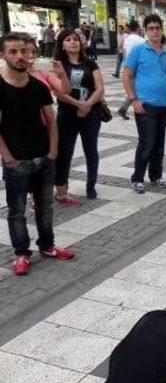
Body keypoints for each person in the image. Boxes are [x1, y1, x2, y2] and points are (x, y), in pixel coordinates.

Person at [0, 33, 74, 276]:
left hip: (43, 157)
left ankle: (47, 246)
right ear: (3, 55)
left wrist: (53, 150)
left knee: (45, 207)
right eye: (13, 52)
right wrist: (8, 157)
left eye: (23, 51)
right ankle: (21, 253)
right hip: (17, 161)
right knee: (17, 211)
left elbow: (51, 120)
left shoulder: (39, 87)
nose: (20, 56)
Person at [123, 14, 166, 194]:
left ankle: (156, 176)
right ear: (146, 31)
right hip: (146, 105)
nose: (155, 31)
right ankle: (137, 178)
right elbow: (127, 75)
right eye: (151, 28)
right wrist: (134, 99)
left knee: (160, 144)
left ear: (162, 30)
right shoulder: (138, 50)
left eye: (157, 28)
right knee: (146, 143)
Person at [53, 29, 105, 203]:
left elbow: (100, 88)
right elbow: (58, 92)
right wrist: (78, 105)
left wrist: (87, 105)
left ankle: (91, 185)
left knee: (91, 149)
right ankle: (62, 186)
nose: (73, 42)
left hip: (91, 114)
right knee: (64, 152)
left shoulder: (90, 63)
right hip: (66, 114)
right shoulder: (58, 64)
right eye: (68, 39)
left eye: (75, 39)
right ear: (62, 44)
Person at [118, 21, 144, 120]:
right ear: (137, 28)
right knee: (137, 90)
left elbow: (125, 52)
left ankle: (123, 109)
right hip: (138, 68)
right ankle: (125, 108)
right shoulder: (141, 40)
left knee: (134, 89)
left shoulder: (127, 39)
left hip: (128, 67)